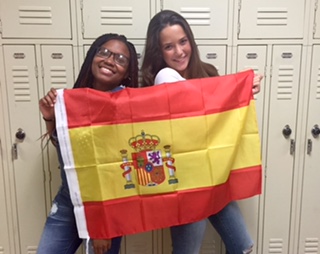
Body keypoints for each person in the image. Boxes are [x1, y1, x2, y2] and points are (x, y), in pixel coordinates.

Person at [140, 10, 263, 254]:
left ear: (191, 41)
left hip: (214, 176)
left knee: (242, 246)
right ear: (159, 52)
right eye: (169, 46)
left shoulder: (207, 72)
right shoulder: (163, 77)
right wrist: (233, 90)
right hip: (187, 183)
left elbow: (221, 119)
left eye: (183, 42)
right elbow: (195, 110)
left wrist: (243, 91)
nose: (179, 51)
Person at [38, 33, 139, 254]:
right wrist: (50, 117)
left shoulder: (125, 107)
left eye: (121, 59)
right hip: (69, 199)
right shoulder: (73, 98)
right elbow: (65, 149)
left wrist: (102, 227)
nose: (110, 60)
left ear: (127, 73)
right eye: (104, 52)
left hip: (105, 206)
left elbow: (116, 170)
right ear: (92, 55)